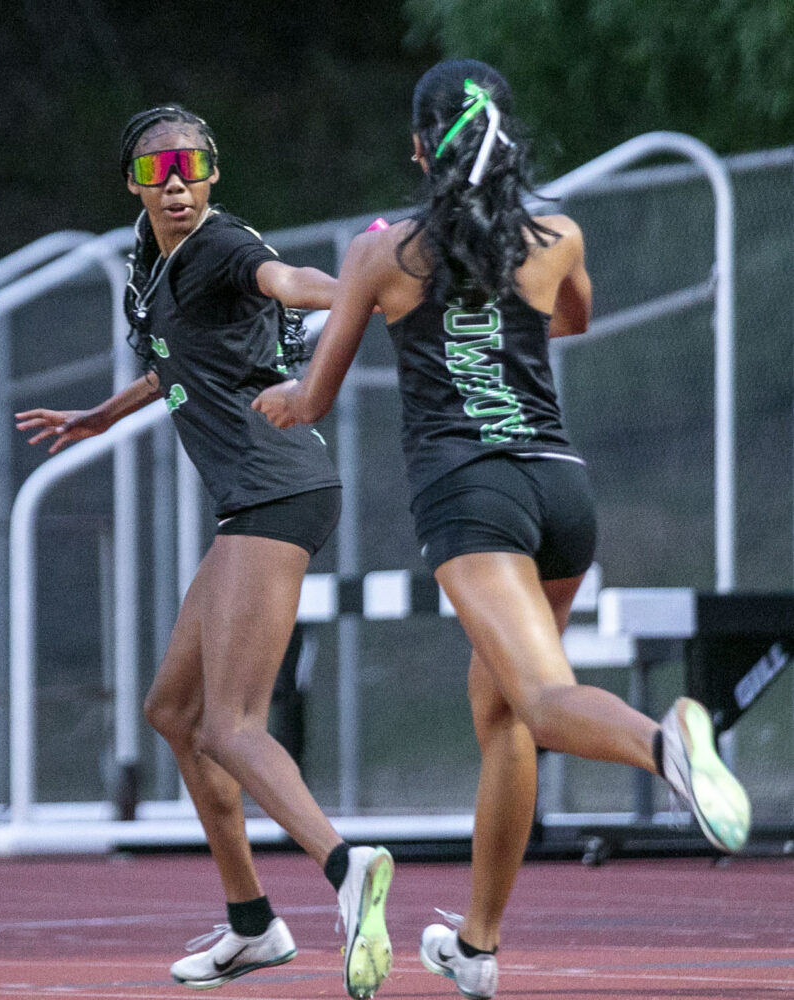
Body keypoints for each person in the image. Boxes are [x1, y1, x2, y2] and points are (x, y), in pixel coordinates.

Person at [253, 60, 751, 1000]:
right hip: (561, 493)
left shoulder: (381, 252)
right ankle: (475, 949)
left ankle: (668, 746)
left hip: (470, 497)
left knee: (544, 697)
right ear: (506, 138)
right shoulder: (555, 231)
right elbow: (572, 317)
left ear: (416, 147)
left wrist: (281, 399)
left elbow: (315, 392)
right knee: (506, 715)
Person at [15, 104, 393, 999]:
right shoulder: (150, 267)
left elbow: (286, 279)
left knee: (229, 724)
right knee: (173, 713)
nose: (176, 181)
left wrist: (360, 289)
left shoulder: (221, 245)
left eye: (190, 165)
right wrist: (101, 414)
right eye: (157, 170)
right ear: (134, 186)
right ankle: (252, 926)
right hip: (252, 500)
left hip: (279, 486)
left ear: (213, 174)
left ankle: (348, 870)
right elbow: (175, 361)